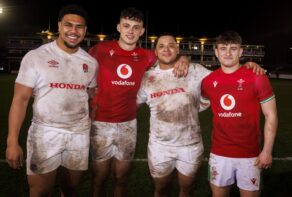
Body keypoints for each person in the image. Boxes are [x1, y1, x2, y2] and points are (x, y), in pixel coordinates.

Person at [88, 7, 189, 197]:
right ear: (118, 27)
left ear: (142, 31)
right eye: (126, 26)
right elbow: (79, 69)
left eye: (136, 27)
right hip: (100, 123)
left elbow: (171, 57)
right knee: (99, 178)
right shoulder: (100, 50)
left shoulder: (147, 56)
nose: (130, 31)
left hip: (128, 124)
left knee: (120, 178)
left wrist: (184, 58)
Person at [5, 4, 98, 196]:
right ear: (59, 26)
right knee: (40, 192)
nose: (73, 31)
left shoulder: (90, 62)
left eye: (79, 26)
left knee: (70, 189)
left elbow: (90, 93)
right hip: (45, 133)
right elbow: (20, 100)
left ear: (85, 30)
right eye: (68, 25)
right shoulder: (36, 56)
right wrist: (12, 141)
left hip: (78, 134)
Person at [200, 31, 278, 197]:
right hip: (219, 154)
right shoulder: (207, 81)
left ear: (241, 52)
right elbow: (200, 102)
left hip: (250, 155)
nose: (228, 53)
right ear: (216, 52)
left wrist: (267, 151)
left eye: (233, 48)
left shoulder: (257, 77)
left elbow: (271, 116)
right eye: (223, 48)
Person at [136, 33, 211, 197]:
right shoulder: (147, 78)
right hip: (159, 146)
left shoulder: (195, 70)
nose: (166, 49)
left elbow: (226, 79)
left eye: (171, 45)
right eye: (161, 46)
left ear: (177, 49)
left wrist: (247, 67)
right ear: (155, 52)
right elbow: (130, 105)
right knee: (161, 190)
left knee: (187, 190)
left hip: (190, 145)